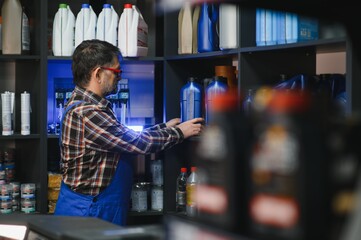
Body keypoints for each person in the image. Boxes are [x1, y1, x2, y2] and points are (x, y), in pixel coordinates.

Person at [54, 39, 203, 225]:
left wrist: (165, 128)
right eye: (116, 72)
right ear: (98, 74)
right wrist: (179, 132)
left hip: (94, 207)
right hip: (88, 212)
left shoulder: (87, 106)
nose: (119, 77)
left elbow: (122, 136)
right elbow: (137, 143)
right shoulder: (87, 113)